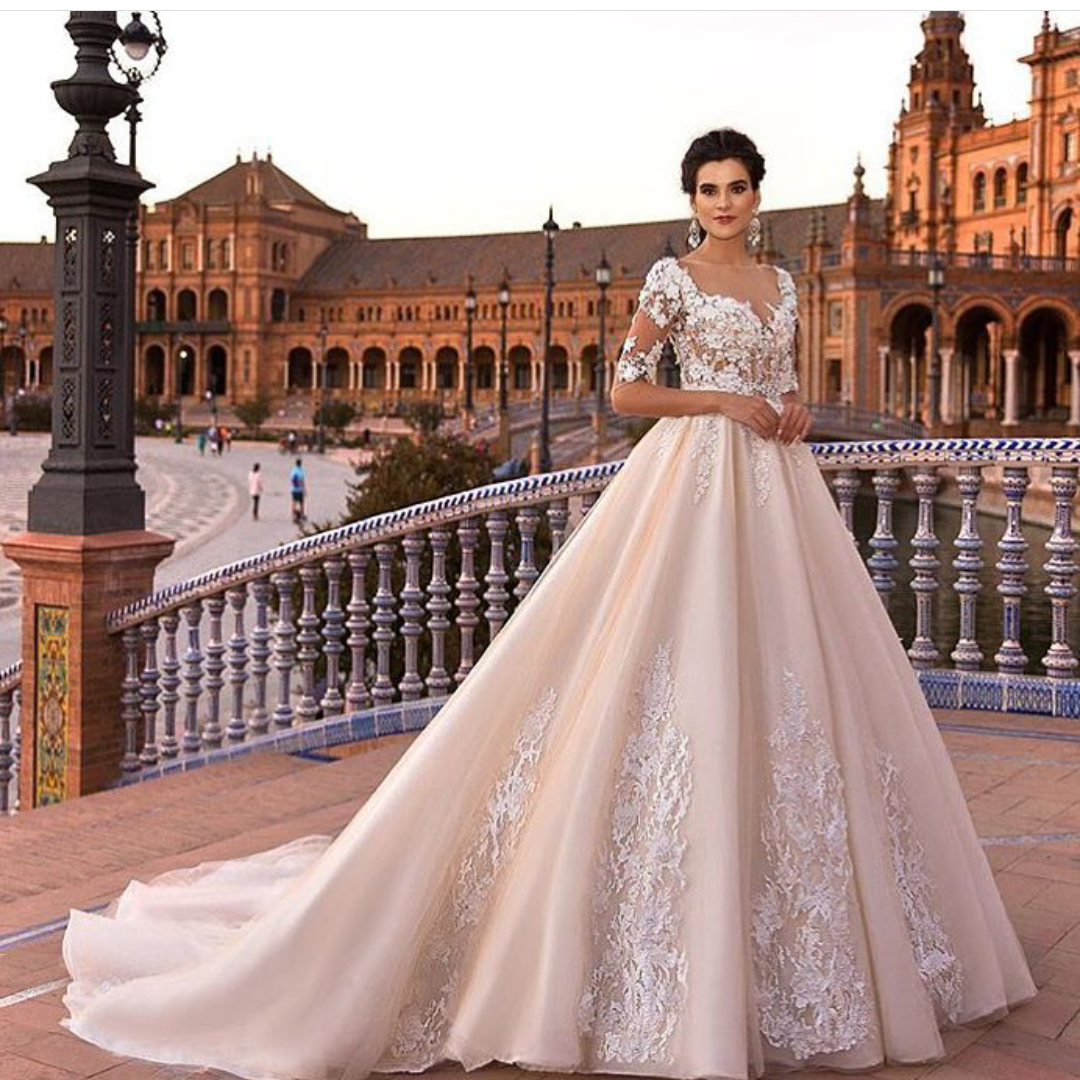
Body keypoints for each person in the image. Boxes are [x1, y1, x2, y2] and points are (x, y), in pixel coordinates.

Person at [59, 128, 1036, 1080]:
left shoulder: (783, 285)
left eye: (737, 187)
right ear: (691, 198)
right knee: (666, 664)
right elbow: (626, 393)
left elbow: (780, 380)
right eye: (708, 189)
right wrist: (719, 401)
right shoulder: (672, 279)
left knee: (796, 682)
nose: (723, 203)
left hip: (778, 494)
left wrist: (791, 407)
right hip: (692, 482)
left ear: (758, 196)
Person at [289, 456, 306, 524]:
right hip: (299, 489)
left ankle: (293, 514)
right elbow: (302, 481)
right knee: (301, 503)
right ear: (301, 463)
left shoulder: (293, 470)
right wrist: (304, 489)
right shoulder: (301, 471)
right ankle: (302, 514)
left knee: (294, 502)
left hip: (293, 489)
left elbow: (291, 479)